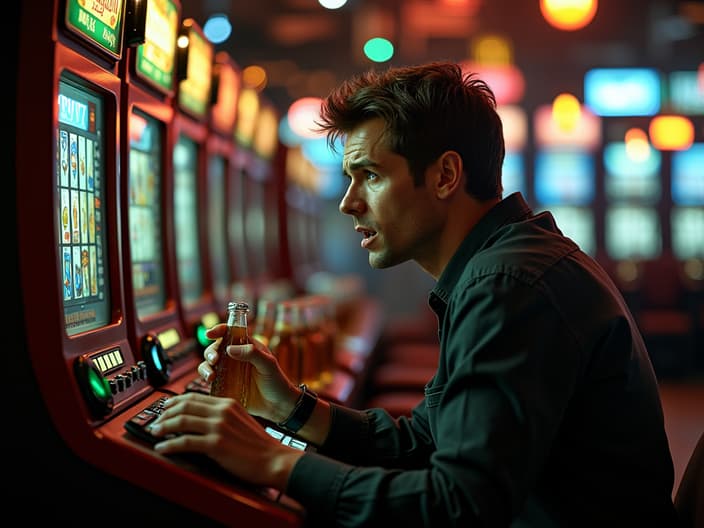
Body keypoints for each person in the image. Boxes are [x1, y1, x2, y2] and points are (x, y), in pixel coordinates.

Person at [148, 61, 679, 527]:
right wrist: (290, 406)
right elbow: (426, 441)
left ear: (446, 174)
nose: (348, 203)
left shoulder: (507, 284)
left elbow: (459, 505)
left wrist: (272, 462)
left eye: (370, 176)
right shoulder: (503, 265)